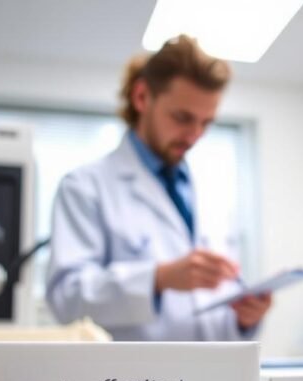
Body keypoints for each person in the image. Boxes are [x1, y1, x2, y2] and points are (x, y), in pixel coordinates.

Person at [46, 35, 272, 341]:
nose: (194, 136)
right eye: (183, 117)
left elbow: (214, 301)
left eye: (206, 123)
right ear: (141, 97)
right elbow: (66, 299)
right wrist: (158, 278)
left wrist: (245, 318)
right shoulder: (86, 187)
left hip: (212, 373)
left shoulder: (211, 192)